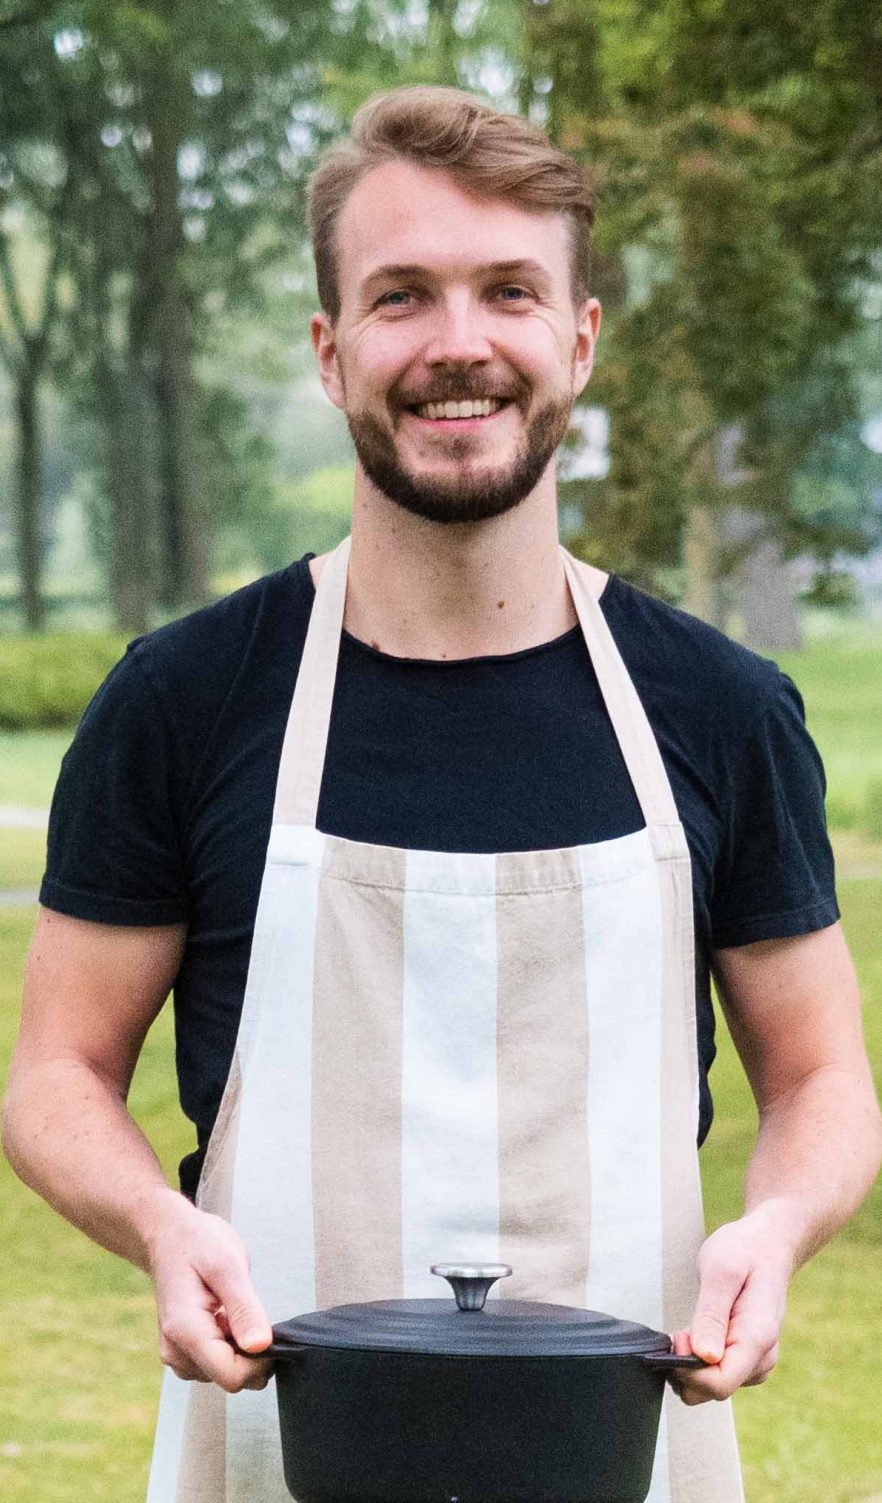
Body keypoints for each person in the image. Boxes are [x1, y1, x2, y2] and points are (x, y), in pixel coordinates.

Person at [3, 84, 880, 1503]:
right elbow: (57, 1074)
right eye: (401, 295)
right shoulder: (185, 699)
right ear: (330, 350)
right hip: (270, 1455)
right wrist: (160, 1226)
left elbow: (821, 1076)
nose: (457, 343)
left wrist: (770, 1232)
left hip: (628, 1462)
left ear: (578, 339)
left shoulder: (719, 709)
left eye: (508, 291)